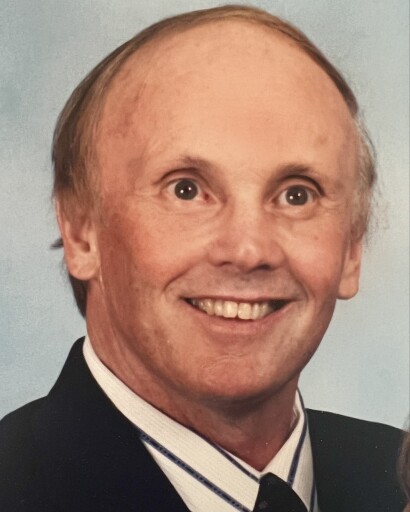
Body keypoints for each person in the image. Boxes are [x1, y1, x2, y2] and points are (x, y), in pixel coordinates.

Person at [0, 5, 406, 512]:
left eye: (297, 195)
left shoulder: (397, 479)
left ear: (352, 249)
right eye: (186, 190)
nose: (248, 250)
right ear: (81, 233)